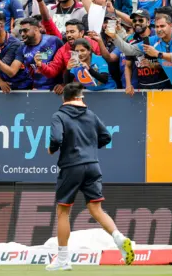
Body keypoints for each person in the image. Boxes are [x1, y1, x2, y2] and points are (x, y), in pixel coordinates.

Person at [46, 82, 133, 271]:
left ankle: (63, 260)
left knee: (63, 212)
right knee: (97, 209)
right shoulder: (91, 115)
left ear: (64, 98)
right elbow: (106, 137)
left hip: (71, 166)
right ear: (80, 97)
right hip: (93, 165)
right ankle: (119, 238)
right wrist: (90, 150)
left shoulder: (59, 115)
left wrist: (52, 149)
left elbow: (56, 139)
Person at [107, 13, 172, 88]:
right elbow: (129, 50)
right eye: (157, 27)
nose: (159, 29)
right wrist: (114, 37)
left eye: (162, 26)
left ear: (171, 26)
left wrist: (157, 54)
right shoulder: (154, 40)